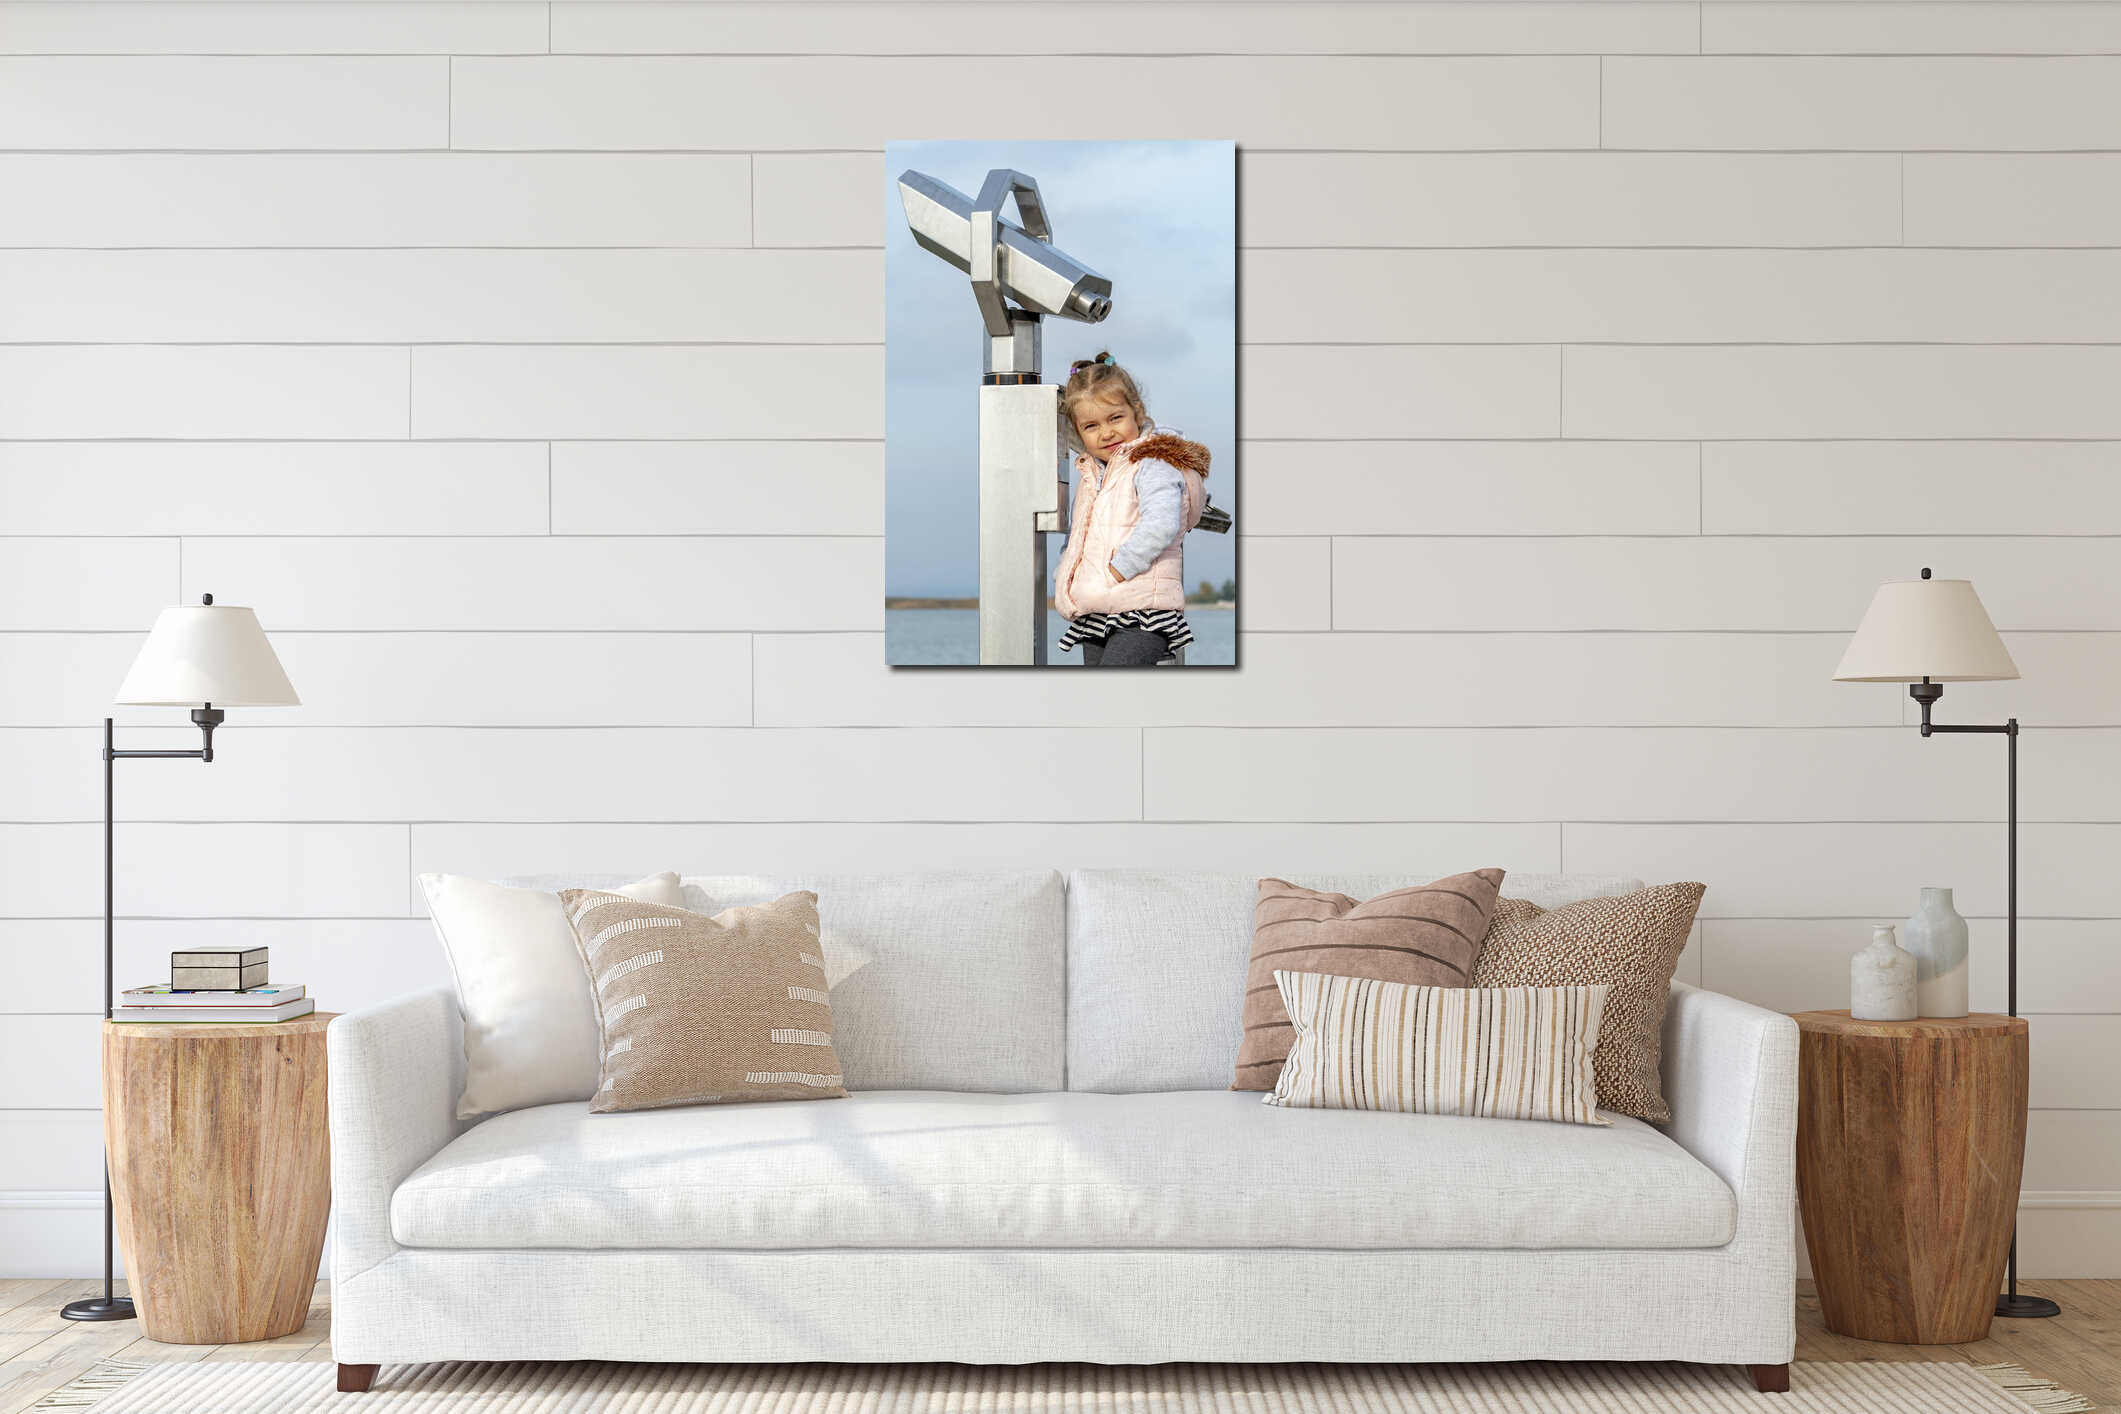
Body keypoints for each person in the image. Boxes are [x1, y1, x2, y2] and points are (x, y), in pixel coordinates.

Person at [1051, 352, 1211, 666]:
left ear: (1136, 411)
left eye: (1115, 418)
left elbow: (1161, 524)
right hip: (1098, 609)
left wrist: (1118, 569)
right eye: (1091, 426)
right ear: (1078, 432)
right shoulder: (1092, 473)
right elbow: (1078, 536)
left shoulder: (1151, 463)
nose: (1106, 432)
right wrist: (1066, 574)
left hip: (1142, 611)